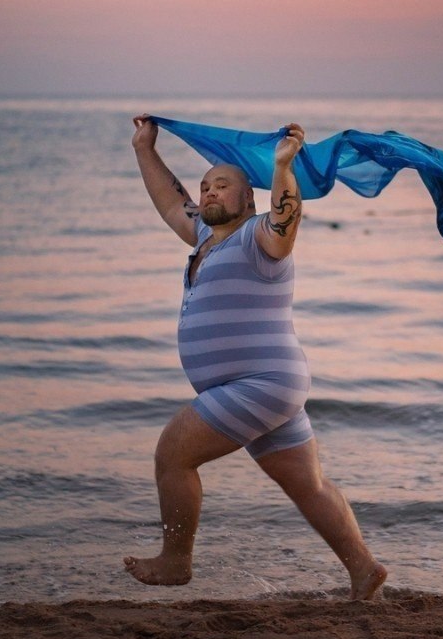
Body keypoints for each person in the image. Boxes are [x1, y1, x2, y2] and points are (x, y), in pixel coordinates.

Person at [123, 115, 387, 600]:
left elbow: (287, 221)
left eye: (222, 186)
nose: (208, 193)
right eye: (205, 187)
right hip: (269, 388)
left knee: (173, 453)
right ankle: (365, 570)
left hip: (259, 384)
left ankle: (175, 562)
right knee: (308, 486)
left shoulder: (259, 240)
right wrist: (145, 148)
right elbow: (167, 202)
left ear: (248, 200)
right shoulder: (204, 237)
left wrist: (284, 167)